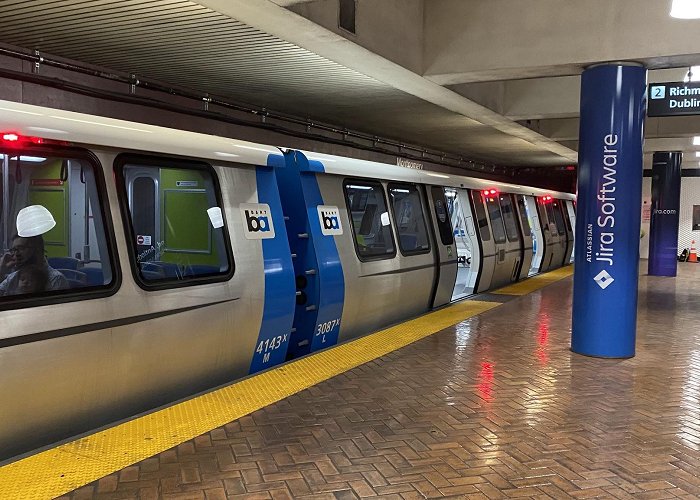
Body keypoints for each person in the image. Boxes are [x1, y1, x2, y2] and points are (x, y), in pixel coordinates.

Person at [0, 234, 69, 296]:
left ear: (38, 250)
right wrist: (1, 270)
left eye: (21, 248)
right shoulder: (13, 277)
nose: (16, 254)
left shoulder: (56, 280)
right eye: (14, 250)